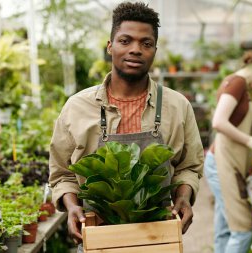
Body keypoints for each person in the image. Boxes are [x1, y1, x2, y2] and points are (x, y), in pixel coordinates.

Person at [48, 1, 204, 250]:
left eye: (146, 43)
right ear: (110, 46)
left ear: (155, 50)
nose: (136, 49)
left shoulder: (177, 106)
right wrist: (72, 206)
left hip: (158, 234)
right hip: (99, 233)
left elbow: (189, 166)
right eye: (125, 41)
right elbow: (63, 173)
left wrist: (184, 197)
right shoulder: (77, 107)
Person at [204, 50, 252, 253]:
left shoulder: (237, 83)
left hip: (225, 162)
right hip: (223, 163)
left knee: (225, 228)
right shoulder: (237, 83)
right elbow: (219, 121)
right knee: (242, 230)